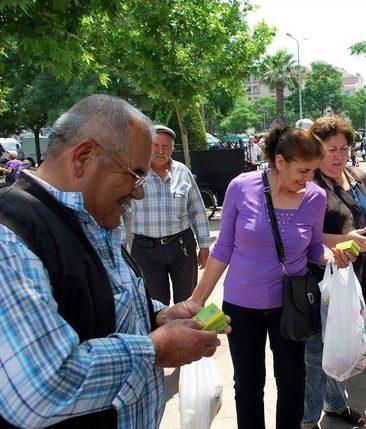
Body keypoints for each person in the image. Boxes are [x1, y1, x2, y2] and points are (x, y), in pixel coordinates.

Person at [0, 94, 224, 428]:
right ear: (84, 157)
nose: (139, 193)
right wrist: (154, 349)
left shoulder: (93, 217)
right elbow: (40, 389)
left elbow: (103, 300)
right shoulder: (10, 235)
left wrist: (159, 315)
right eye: (134, 174)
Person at [190, 125, 354, 429]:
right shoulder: (241, 187)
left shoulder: (315, 197)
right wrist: (197, 299)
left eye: (312, 171)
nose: (308, 179)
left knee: (293, 382)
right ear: (280, 162)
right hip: (241, 305)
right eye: (303, 171)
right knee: (248, 385)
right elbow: (224, 246)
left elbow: (314, 248)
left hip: (291, 306)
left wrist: (334, 257)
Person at [301, 116, 366, 429]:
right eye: (329, 149)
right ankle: (307, 418)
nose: (337, 155)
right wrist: (345, 241)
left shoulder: (358, 176)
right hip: (323, 277)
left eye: (343, 148)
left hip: (359, 273)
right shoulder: (308, 185)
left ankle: (335, 403)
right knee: (318, 349)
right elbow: (303, 235)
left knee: (347, 342)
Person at [130, 125, 212, 305]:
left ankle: (187, 334)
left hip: (181, 247)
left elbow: (197, 210)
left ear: (172, 148)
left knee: (187, 302)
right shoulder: (134, 173)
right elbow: (119, 210)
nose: (160, 151)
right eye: (155, 145)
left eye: (165, 146)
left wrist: (204, 246)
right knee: (155, 305)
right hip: (145, 251)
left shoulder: (182, 172)